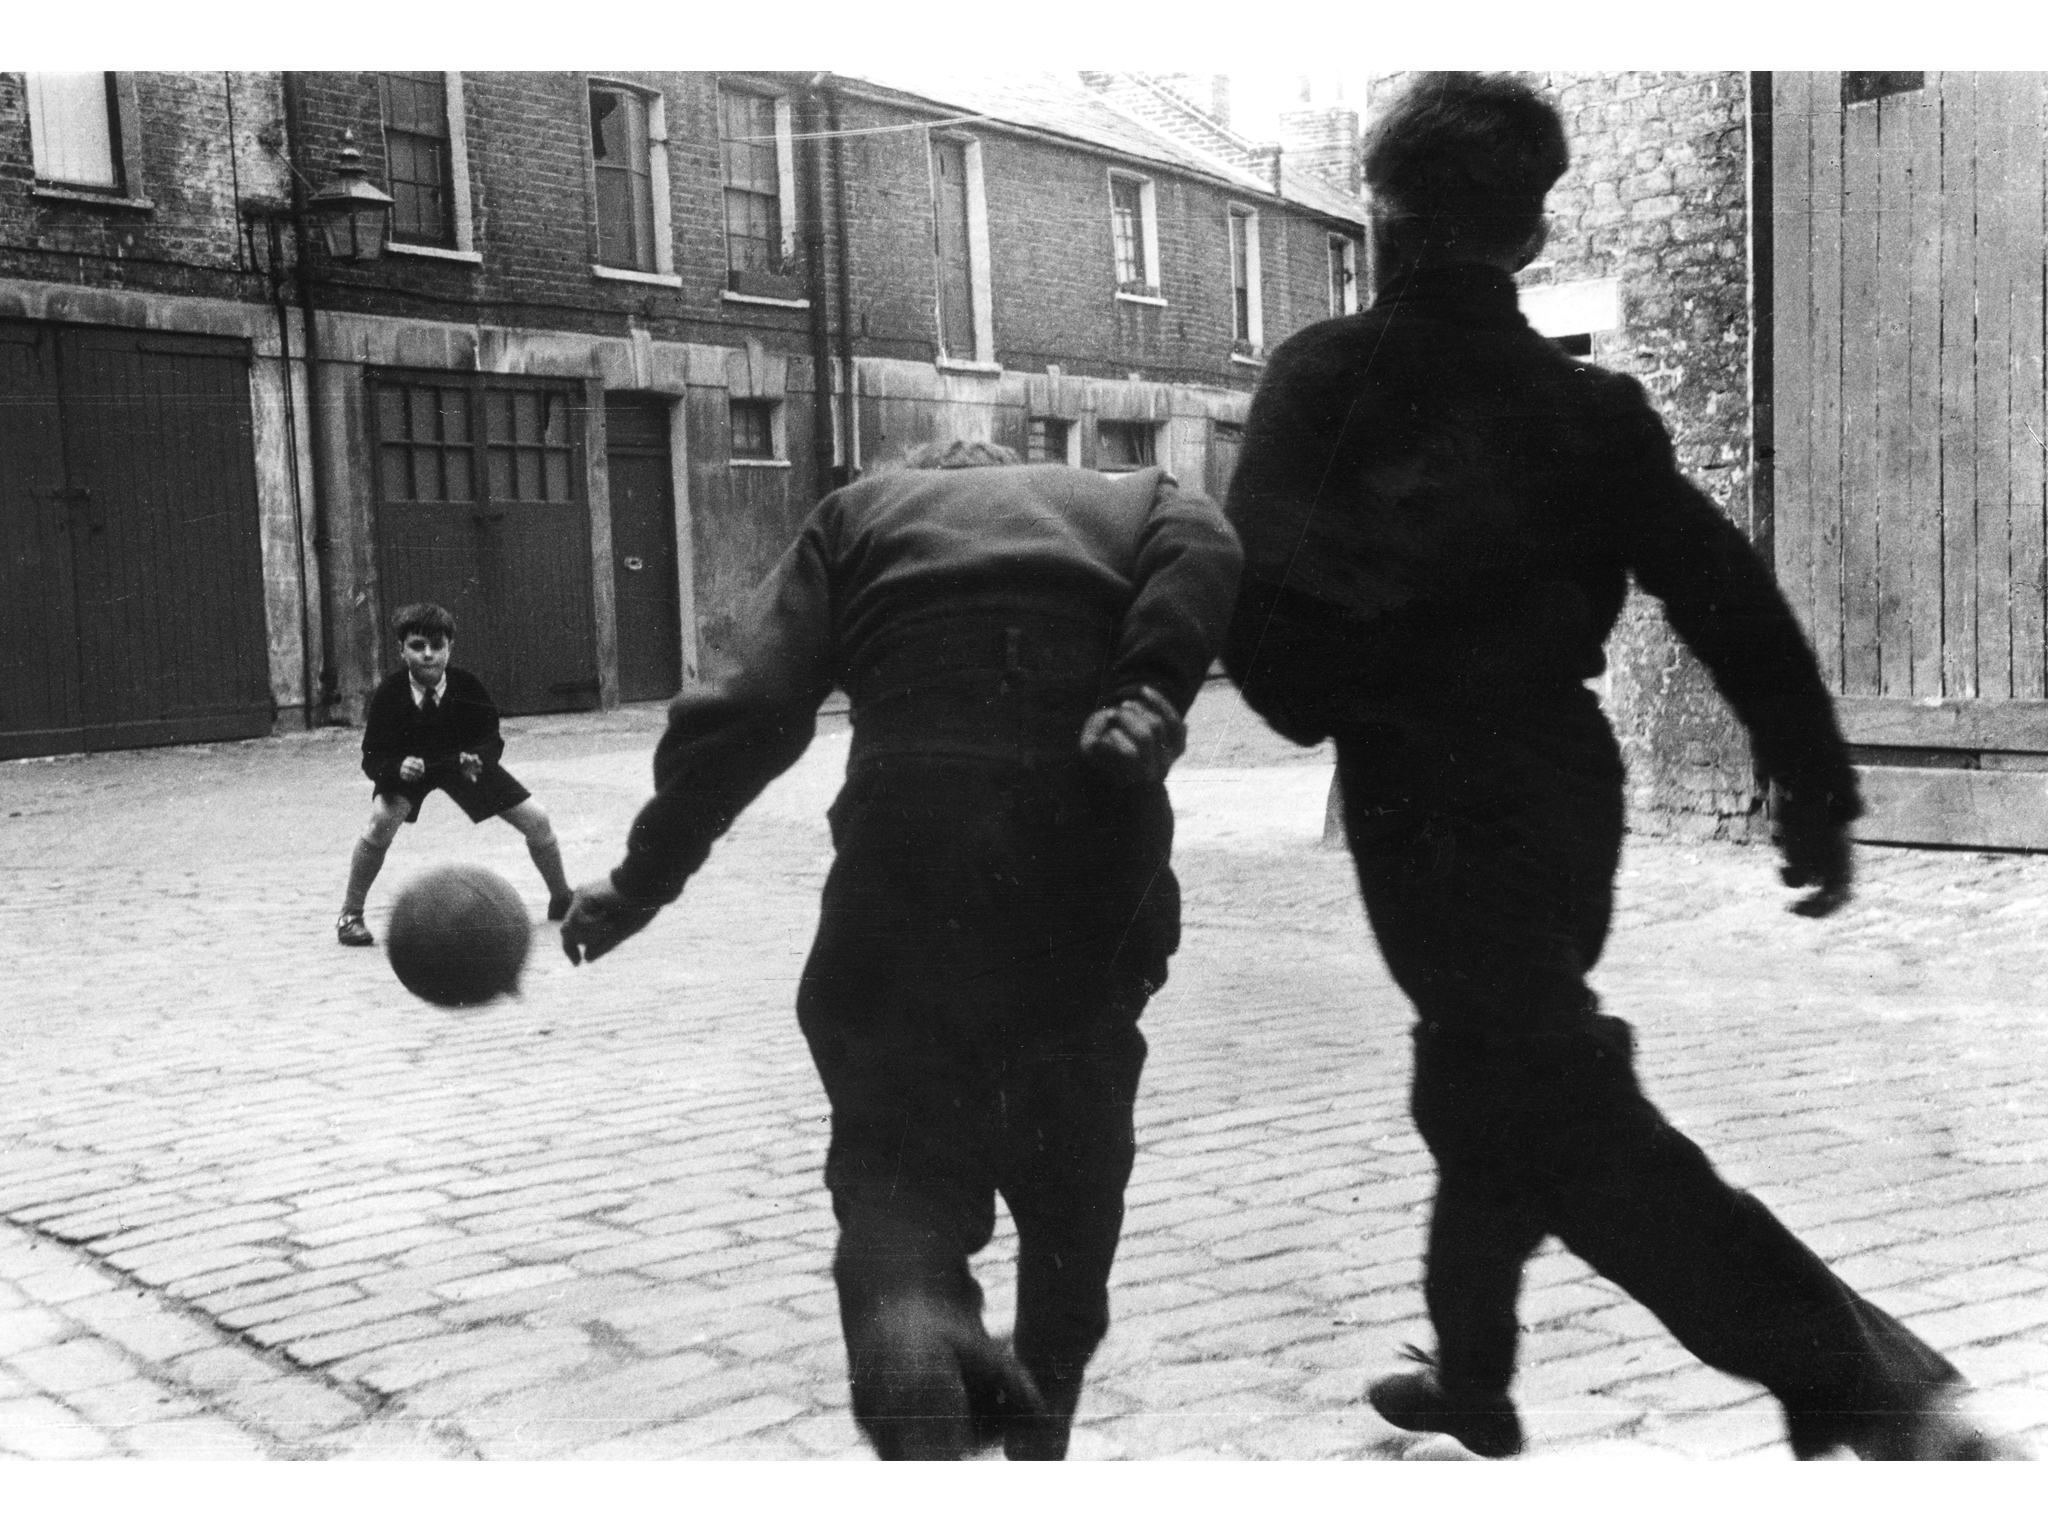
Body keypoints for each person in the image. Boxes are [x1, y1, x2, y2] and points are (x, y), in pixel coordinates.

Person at [1222, 72, 2019, 1460]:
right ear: (1529, 238)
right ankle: (1474, 1375)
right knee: (1495, 1061)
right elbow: (1723, 591)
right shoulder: (1590, 411)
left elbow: (1266, 624)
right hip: (1559, 785)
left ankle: (1872, 1383)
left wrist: (1333, 690)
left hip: (1421, 795)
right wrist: (1815, 786)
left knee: (1534, 1094)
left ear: (1380, 218)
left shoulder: (1323, 380)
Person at [561, 440, 1241, 1459]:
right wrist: (1149, 685)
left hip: (904, 867)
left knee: (895, 1177)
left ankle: (916, 1325)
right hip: (1084, 863)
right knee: (1073, 1193)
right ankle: (1040, 1416)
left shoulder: (857, 515)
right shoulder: (1134, 499)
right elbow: (1208, 539)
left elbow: (752, 707)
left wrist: (641, 881)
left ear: (916, 475)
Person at [336, 602, 575, 946]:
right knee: (379, 823)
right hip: (412, 771)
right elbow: (371, 755)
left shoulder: (467, 686)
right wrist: (395, 767)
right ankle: (350, 914)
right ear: (401, 650)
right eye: (418, 646)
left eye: (437, 646)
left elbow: (491, 735)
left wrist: (478, 758)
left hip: (462, 767)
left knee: (537, 818)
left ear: (451, 647)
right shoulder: (389, 694)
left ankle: (562, 896)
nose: (428, 655)